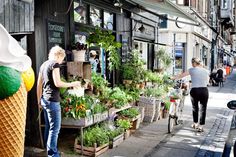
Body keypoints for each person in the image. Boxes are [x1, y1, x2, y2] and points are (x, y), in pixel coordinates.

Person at [37, 45, 81, 157]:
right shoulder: (54, 64)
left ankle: (49, 151)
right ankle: (53, 154)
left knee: (49, 126)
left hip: (44, 100)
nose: (61, 62)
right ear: (58, 55)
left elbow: (38, 85)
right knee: (55, 129)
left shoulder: (43, 65)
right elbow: (58, 83)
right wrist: (73, 84)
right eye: (62, 58)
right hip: (52, 100)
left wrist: (39, 100)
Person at [176, 58, 209, 132]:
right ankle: (201, 126)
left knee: (195, 108)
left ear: (194, 63)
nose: (191, 64)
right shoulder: (206, 70)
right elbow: (207, 81)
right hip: (204, 90)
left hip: (195, 90)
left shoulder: (191, 70)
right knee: (203, 108)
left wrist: (173, 77)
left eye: (192, 63)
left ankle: (195, 123)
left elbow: (181, 76)